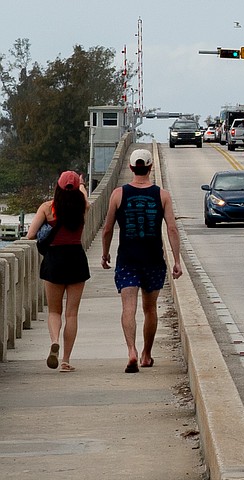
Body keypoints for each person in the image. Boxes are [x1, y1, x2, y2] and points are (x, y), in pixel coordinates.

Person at [101, 148, 183, 373]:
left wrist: (105, 253)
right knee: (150, 309)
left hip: (127, 259)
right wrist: (176, 260)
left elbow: (107, 228)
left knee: (128, 307)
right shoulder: (162, 195)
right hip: (153, 259)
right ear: (150, 167)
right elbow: (172, 229)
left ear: (130, 168)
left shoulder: (118, 194)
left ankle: (131, 351)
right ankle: (146, 354)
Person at [24, 170, 90, 372]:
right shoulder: (82, 206)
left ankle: (55, 341)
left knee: (54, 311)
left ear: (57, 187)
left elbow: (30, 235)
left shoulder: (47, 208)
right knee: (72, 314)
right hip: (76, 259)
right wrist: (82, 185)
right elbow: (84, 197)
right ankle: (66, 360)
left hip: (54, 260)